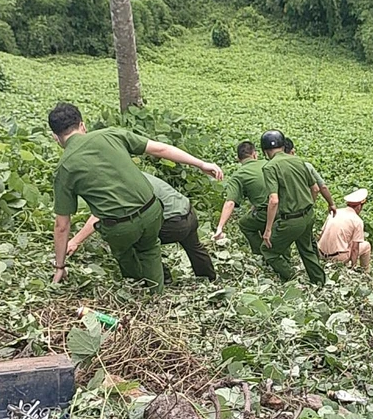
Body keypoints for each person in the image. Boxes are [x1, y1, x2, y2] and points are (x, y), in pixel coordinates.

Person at [48, 102, 222, 292]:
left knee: (126, 252)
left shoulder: (64, 168)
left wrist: (60, 266)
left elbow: (62, 225)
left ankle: (139, 289)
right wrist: (201, 164)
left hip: (121, 228)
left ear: (56, 137)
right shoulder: (110, 134)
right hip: (153, 211)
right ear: (82, 125)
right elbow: (160, 149)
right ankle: (160, 293)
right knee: (150, 248)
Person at [66, 171, 217, 284]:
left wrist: (75, 241)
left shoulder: (121, 186)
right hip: (188, 210)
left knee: (139, 241)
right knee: (194, 247)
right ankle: (210, 280)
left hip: (173, 223)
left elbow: (99, 215)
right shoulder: (134, 173)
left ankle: (163, 278)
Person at [259, 130, 326, 284]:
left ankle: (292, 277)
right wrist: (307, 206)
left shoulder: (270, 167)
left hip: (291, 219)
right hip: (308, 215)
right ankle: (320, 282)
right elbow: (315, 188)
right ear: (283, 146)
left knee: (268, 250)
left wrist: (268, 229)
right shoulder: (298, 161)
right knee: (307, 250)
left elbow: (274, 200)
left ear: (265, 151)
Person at [213, 141, 269, 255]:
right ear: (255, 154)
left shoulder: (238, 175)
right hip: (286, 206)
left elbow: (230, 202)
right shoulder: (268, 164)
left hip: (266, 212)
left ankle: (261, 253)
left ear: (238, 159)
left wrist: (220, 227)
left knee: (245, 224)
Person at [317, 188, 371, 273]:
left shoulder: (334, 212)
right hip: (337, 258)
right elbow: (355, 249)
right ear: (359, 206)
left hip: (320, 254)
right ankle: (365, 273)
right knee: (366, 246)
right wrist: (353, 268)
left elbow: (321, 234)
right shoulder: (357, 220)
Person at [284, 137, 336, 216]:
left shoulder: (273, 168)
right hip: (304, 209)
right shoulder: (306, 166)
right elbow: (321, 187)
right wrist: (331, 204)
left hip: (285, 211)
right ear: (292, 152)